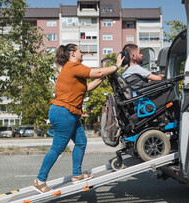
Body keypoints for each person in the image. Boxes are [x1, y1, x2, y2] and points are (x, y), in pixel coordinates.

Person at [34, 43, 124, 193]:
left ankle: (76, 175)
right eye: (80, 52)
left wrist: (103, 76)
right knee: (58, 148)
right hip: (63, 112)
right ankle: (40, 180)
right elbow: (97, 71)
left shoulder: (72, 71)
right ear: (73, 53)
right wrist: (116, 66)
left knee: (81, 142)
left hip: (70, 113)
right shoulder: (72, 66)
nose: (83, 54)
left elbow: (87, 88)